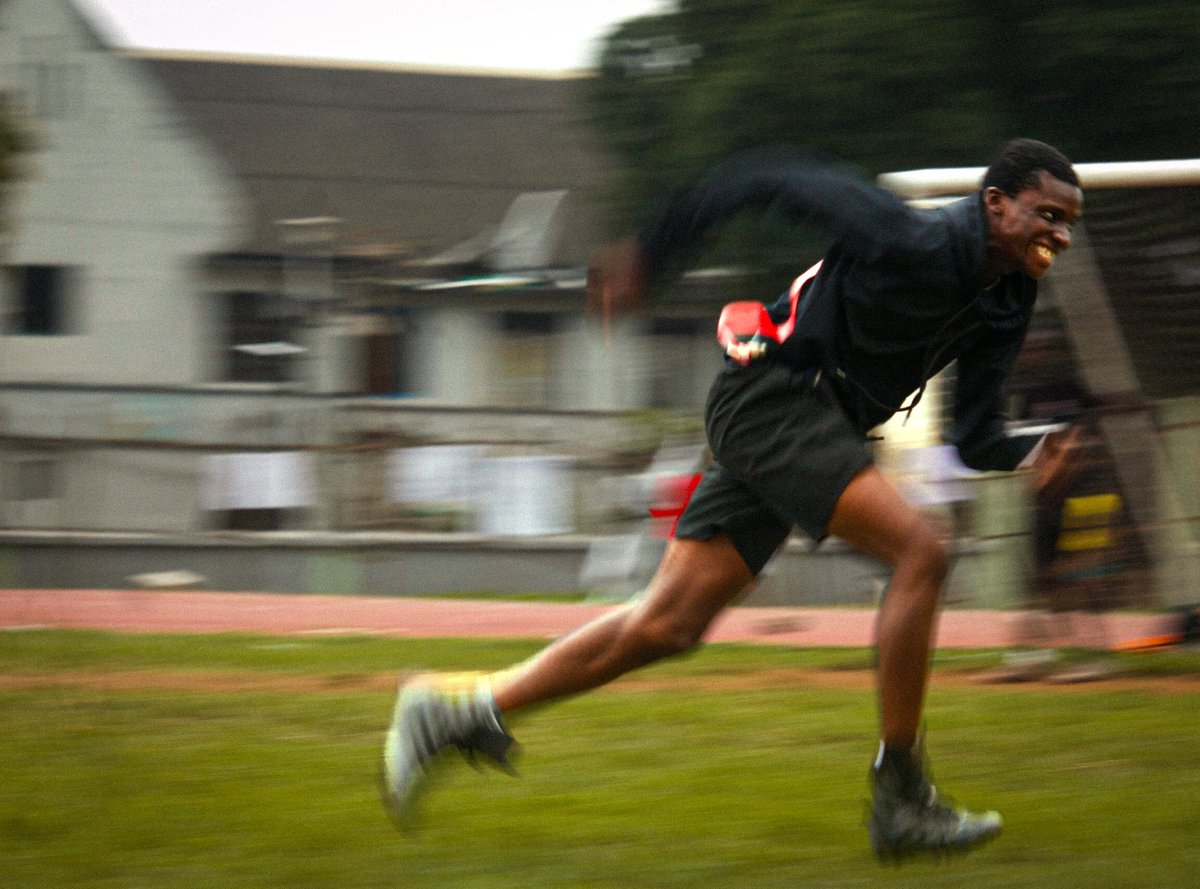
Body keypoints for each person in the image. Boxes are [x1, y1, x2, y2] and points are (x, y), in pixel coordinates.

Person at [381, 139, 1084, 860]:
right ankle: (902, 798)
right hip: (773, 399)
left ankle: (455, 712)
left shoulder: (1009, 299)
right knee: (923, 551)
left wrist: (1030, 452)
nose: (1059, 234)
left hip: (809, 423)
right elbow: (764, 177)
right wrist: (651, 252)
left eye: (1068, 223)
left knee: (667, 625)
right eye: (1047, 215)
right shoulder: (910, 233)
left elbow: (974, 435)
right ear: (996, 203)